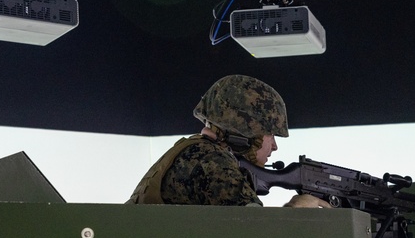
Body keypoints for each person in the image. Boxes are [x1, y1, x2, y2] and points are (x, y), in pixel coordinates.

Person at [128, 75, 326, 208]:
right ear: (248, 130)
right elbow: (259, 237)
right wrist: (296, 209)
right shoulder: (213, 163)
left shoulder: (195, 151)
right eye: (270, 134)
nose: (274, 146)